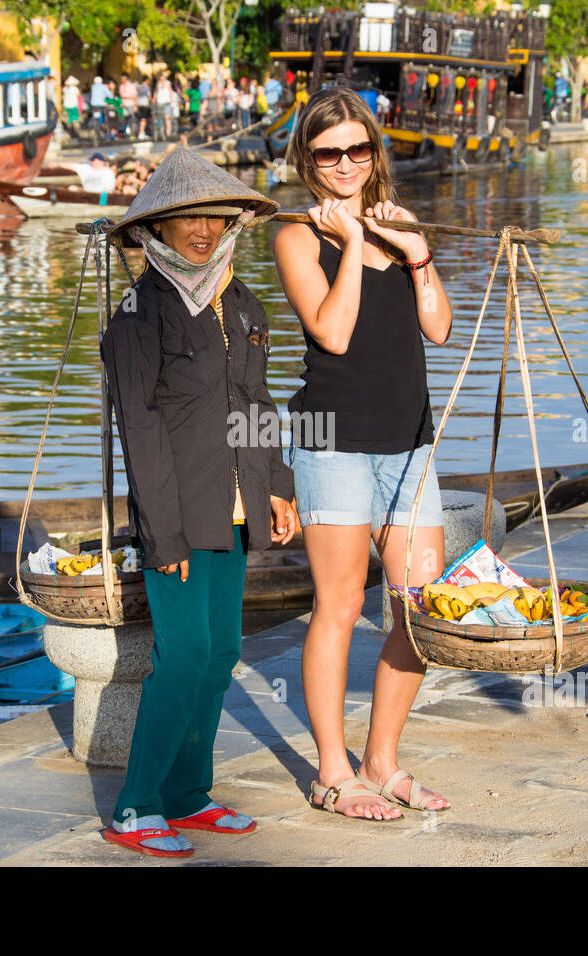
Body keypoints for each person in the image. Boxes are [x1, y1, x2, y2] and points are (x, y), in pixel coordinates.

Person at [98, 148, 296, 858]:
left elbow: (259, 405)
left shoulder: (240, 303)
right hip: (177, 515)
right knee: (180, 657)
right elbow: (140, 433)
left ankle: (187, 794)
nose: (202, 230)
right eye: (186, 218)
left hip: (236, 504)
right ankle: (135, 805)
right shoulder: (137, 313)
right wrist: (165, 535)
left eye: (212, 214)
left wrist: (278, 484)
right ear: (157, 227)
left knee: (220, 655)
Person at [273, 86, 453, 821]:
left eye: (358, 148)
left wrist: (416, 254)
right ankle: (332, 771)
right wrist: (349, 243)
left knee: (420, 610)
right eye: (328, 152)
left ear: (375, 152)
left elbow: (438, 329)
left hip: (408, 438)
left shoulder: (400, 223)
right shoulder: (293, 234)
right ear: (306, 160)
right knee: (341, 605)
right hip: (330, 438)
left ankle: (382, 760)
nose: (345, 163)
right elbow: (334, 333)